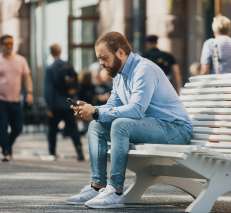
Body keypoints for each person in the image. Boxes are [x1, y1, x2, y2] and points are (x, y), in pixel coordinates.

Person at [66, 32, 192, 208]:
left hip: (175, 129)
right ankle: (98, 186)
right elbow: (111, 107)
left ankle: (116, 191)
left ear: (120, 53)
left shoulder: (143, 69)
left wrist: (95, 111)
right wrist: (90, 109)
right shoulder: (119, 75)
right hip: (151, 126)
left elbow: (136, 109)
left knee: (120, 125)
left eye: (104, 58)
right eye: (99, 58)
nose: (101, 63)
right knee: (96, 125)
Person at [44, 43, 84, 161]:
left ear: (51, 53)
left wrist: (48, 106)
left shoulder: (50, 68)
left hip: (55, 104)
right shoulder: (68, 66)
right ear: (60, 51)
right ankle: (80, 152)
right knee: (73, 128)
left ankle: (52, 152)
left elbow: (48, 88)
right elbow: (76, 82)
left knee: (52, 129)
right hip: (68, 103)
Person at [0, 34, 33, 162]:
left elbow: (27, 77)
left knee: (18, 128)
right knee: (2, 127)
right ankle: (7, 151)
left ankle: (6, 144)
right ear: (1, 45)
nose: (9, 46)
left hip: (16, 100)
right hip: (1, 100)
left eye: (11, 43)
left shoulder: (21, 60)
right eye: (6, 43)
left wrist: (29, 93)